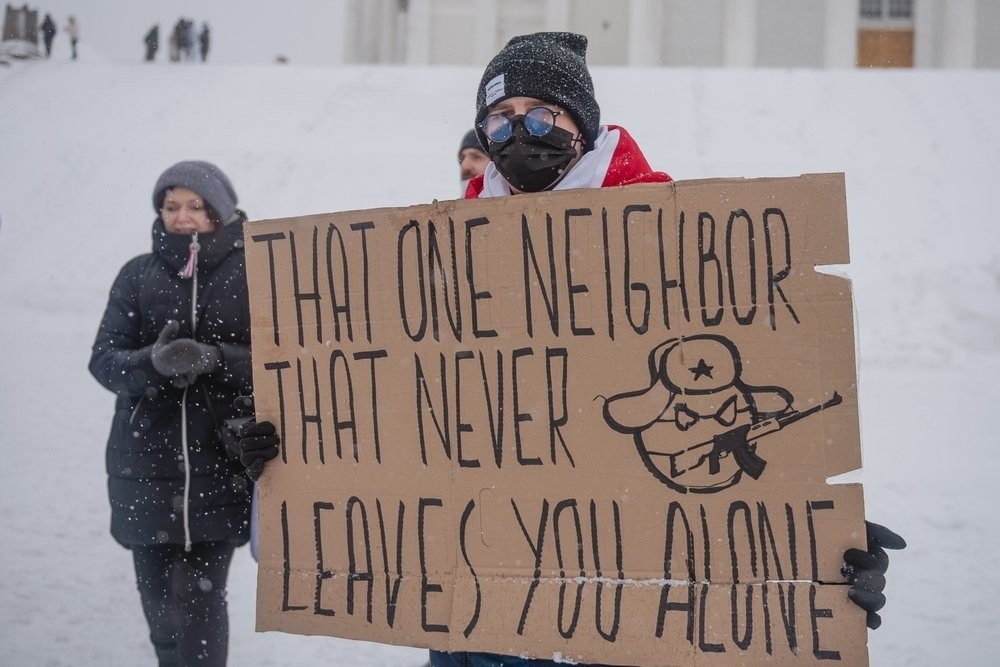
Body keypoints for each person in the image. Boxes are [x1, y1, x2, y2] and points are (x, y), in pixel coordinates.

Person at [238, 31, 906, 667]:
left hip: (623, 626)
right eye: (499, 116)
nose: (517, 130)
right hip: (477, 625)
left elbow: (745, 392)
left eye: (541, 112)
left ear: (581, 123)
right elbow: (403, 417)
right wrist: (287, 468)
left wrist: (817, 544)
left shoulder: (668, 238)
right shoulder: (437, 262)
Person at [89, 161, 254, 667]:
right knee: (159, 603)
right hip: (146, 468)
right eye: (171, 206)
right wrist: (152, 363)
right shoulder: (138, 275)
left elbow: (284, 361)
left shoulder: (257, 270)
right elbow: (104, 361)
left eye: (195, 206)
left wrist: (217, 359)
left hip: (219, 464)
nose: (182, 217)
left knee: (199, 598)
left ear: (220, 212)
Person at [458, 128, 489, 196]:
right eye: (462, 158)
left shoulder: (512, 203)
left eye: (476, 157)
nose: (465, 166)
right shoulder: (454, 206)